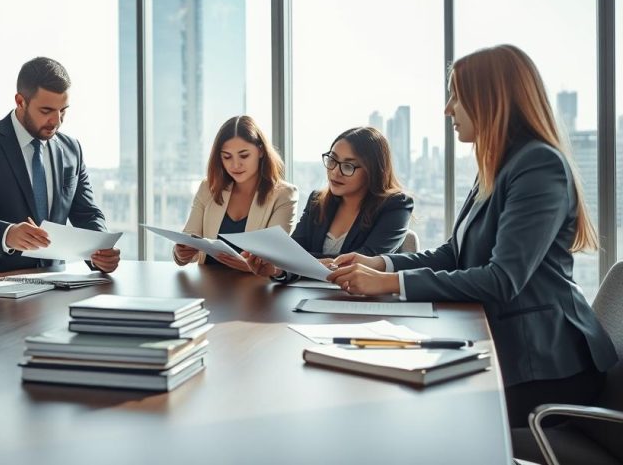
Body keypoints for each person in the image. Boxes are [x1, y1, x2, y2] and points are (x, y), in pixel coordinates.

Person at [325, 44, 617, 428]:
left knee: (414, 411)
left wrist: (389, 283)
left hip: (547, 368)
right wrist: (379, 263)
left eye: (457, 97)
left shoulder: (539, 165)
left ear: (490, 100)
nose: (448, 109)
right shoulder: (495, 165)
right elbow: (454, 253)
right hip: (505, 349)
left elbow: (501, 280)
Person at [0, 57, 120, 279]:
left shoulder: (71, 149)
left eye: (63, 111)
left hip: (52, 284)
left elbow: (87, 213)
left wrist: (101, 250)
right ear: (21, 101)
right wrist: (7, 234)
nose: (56, 121)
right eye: (46, 110)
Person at [252, 127, 413, 282]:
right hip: (311, 298)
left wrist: (302, 263)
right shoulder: (317, 201)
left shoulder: (396, 205)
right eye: (332, 160)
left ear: (373, 171)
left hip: (365, 301)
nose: (335, 172)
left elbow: (366, 260)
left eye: (348, 166)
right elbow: (293, 254)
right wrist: (277, 269)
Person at [173, 115, 298, 271]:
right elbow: (189, 240)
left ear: (260, 151)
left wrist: (252, 267)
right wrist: (181, 253)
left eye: (244, 155)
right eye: (227, 157)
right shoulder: (208, 188)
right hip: (208, 287)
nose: (235, 165)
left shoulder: (284, 195)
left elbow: (276, 260)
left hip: (257, 291)